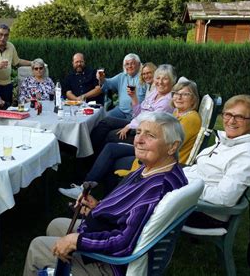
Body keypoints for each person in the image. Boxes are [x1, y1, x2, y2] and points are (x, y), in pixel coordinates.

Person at [23, 112, 187, 276]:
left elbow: (124, 242)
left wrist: (76, 241)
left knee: (38, 247)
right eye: (138, 132)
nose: (139, 140)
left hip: (112, 265)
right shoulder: (159, 169)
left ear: (172, 146)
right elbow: (131, 210)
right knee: (55, 225)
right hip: (109, 233)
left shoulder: (157, 188)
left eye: (150, 135)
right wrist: (98, 207)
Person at [59, 78, 201, 198]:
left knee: (112, 152)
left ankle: (93, 192)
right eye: (176, 94)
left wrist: (141, 138)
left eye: (185, 94)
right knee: (111, 147)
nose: (179, 97)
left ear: (193, 98)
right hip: (153, 152)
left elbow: (167, 145)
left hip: (159, 160)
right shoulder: (178, 113)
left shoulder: (191, 119)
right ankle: (96, 192)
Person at [183, 94, 250, 228]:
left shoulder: (248, 154)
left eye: (239, 117)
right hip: (191, 198)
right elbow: (202, 169)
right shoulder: (229, 141)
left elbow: (225, 198)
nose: (231, 121)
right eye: (228, 114)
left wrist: (184, 183)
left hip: (206, 212)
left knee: (144, 200)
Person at [90, 64, 176, 155]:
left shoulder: (167, 102)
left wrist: (129, 126)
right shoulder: (155, 92)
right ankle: (89, 151)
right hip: (137, 123)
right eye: (158, 78)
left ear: (172, 81)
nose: (160, 82)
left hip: (144, 132)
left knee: (110, 135)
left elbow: (149, 123)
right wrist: (134, 97)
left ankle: (93, 158)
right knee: (106, 121)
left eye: (165, 79)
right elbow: (139, 113)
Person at [0, 24, 32, 104]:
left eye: (6, 35)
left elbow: (17, 61)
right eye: (0, 34)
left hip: (7, 85)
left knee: (7, 110)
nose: (3, 38)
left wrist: (32, 63)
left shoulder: (11, 46)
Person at [97, 53, 145, 119]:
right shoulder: (122, 76)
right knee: (104, 118)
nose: (130, 66)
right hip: (121, 110)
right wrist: (102, 79)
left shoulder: (143, 77)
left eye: (132, 63)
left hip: (137, 114)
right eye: (127, 64)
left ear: (139, 64)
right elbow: (108, 84)